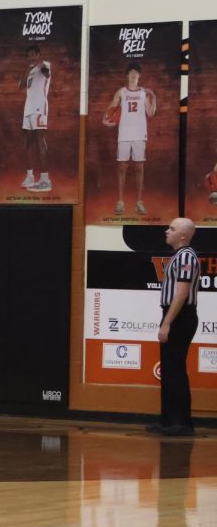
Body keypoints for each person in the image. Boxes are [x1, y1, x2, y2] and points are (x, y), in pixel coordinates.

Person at [148, 217, 200, 436]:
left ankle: (181, 423)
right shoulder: (178, 256)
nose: (166, 231)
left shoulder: (187, 256)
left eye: (172, 228)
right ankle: (168, 421)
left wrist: (167, 323)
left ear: (183, 236)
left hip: (180, 316)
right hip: (174, 315)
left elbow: (181, 294)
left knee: (175, 368)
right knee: (169, 369)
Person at [104, 63, 156, 216]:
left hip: (140, 134)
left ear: (139, 76)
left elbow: (151, 114)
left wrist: (153, 96)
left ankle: (139, 201)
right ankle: (120, 201)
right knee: (122, 168)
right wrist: (106, 119)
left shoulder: (143, 93)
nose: (133, 74)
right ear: (127, 75)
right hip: (124, 134)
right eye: (131, 72)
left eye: (136, 72)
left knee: (139, 168)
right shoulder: (121, 92)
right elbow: (111, 108)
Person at [20, 45, 52, 193]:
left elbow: (46, 74)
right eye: (28, 55)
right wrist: (28, 68)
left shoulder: (45, 65)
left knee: (41, 142)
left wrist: (39, 64)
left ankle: (45, 180)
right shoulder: (30, 70)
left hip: (39, 108)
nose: (30, 57)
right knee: (29, 143)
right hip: (28, 109)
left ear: (38, 55)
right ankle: (30, 176)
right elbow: (20, 86)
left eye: (33, 54)